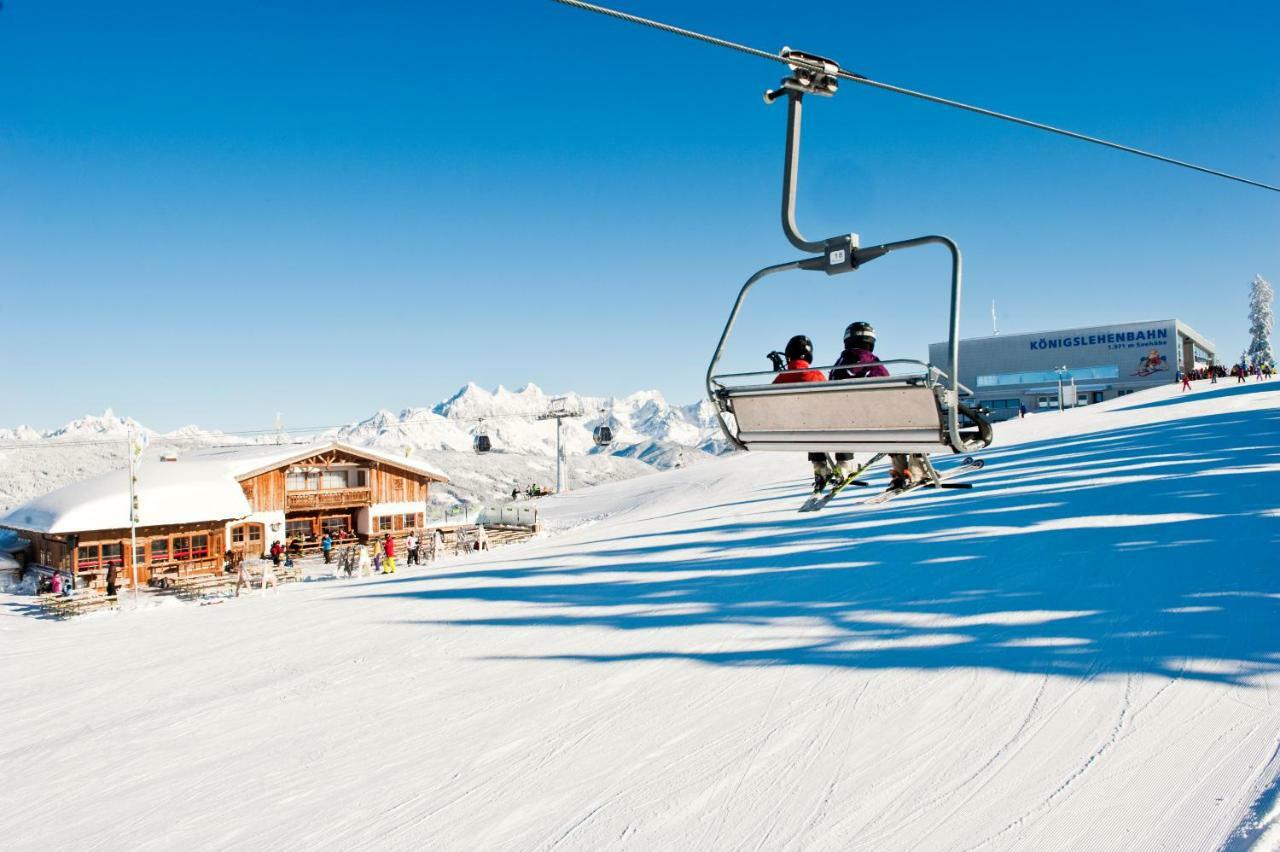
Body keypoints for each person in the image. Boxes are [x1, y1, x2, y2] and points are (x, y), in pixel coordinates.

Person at [829, 321, 924, 491]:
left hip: (843, 429)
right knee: (912, 418)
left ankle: (900, 472)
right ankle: (912, 469)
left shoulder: (837, 368)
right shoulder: (874, 365)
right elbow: (890, 396)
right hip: (877, 427)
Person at [770, 334, 833, 492]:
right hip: (816, 427)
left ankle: (819, 469)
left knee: (810, 426)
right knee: (815, 423)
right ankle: (844, 464)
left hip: (789, 429)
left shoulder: (780, 379)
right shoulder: (815, 375)